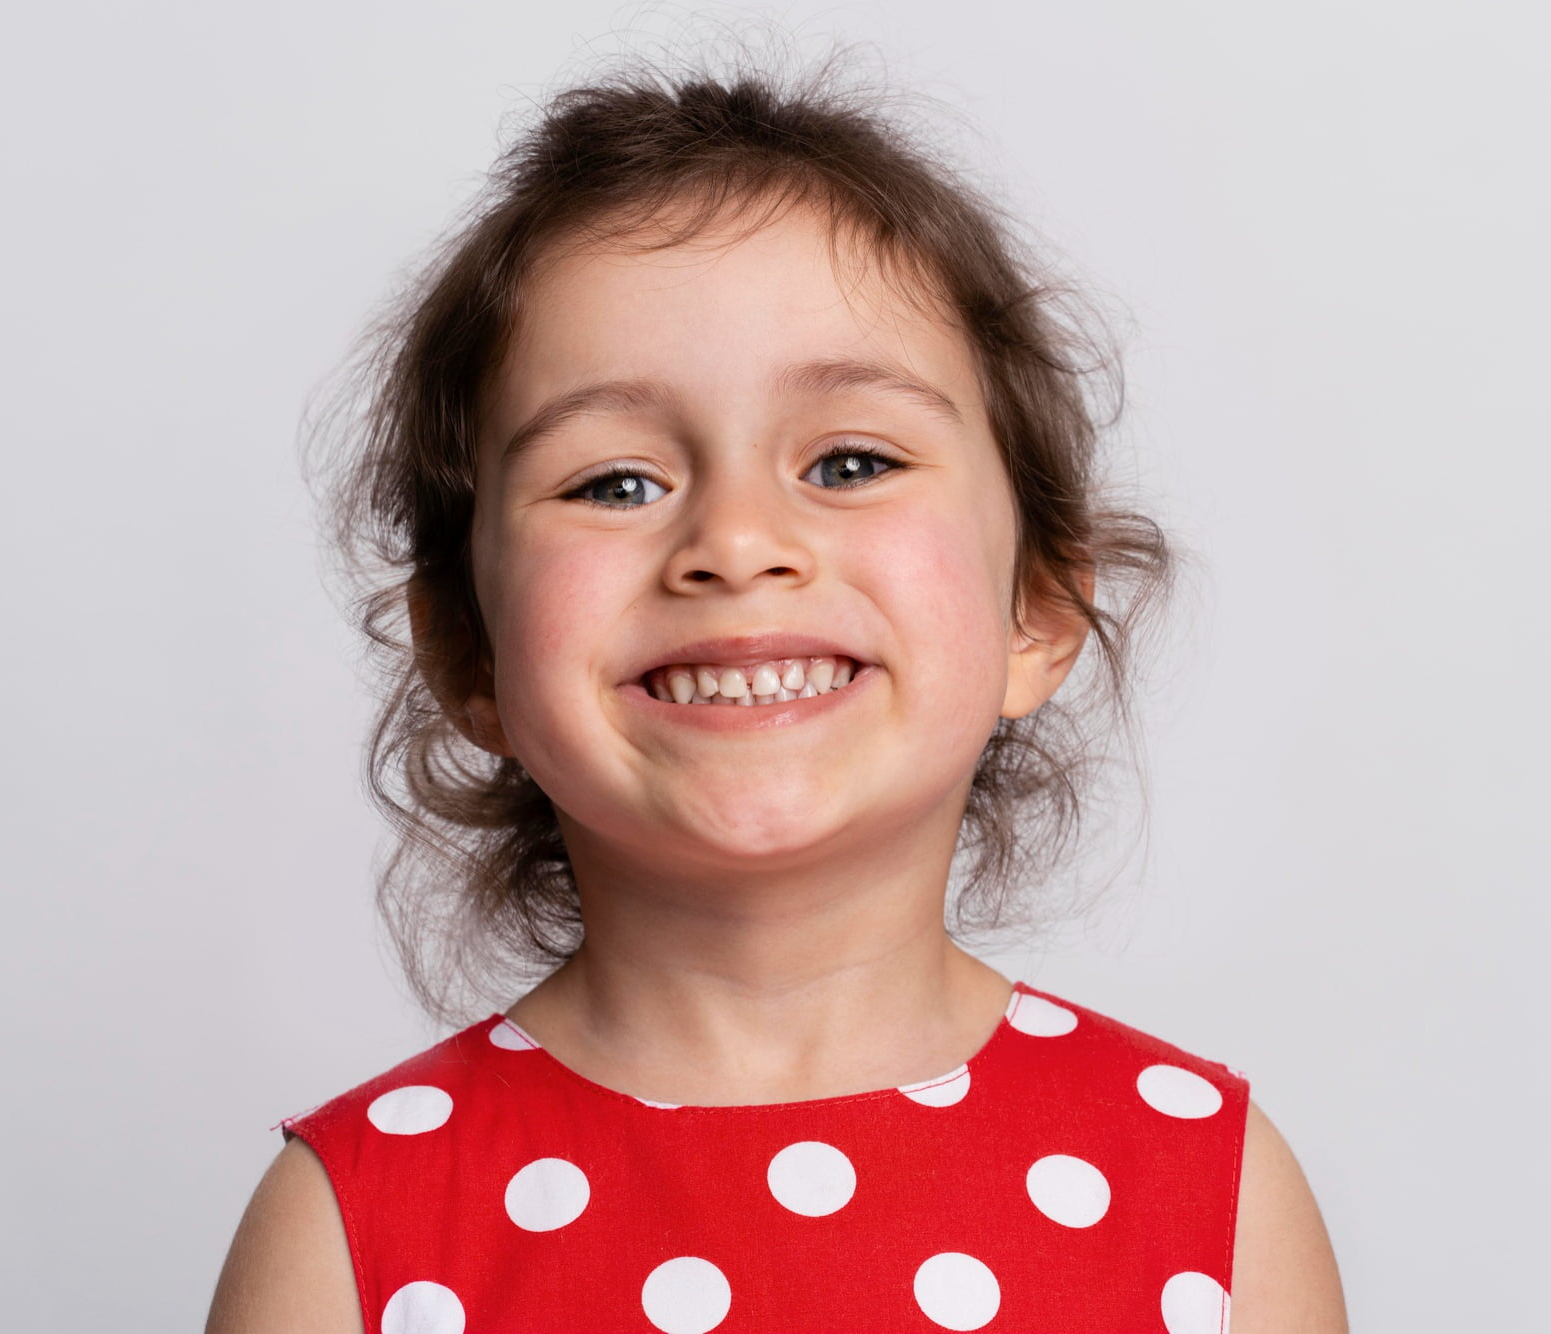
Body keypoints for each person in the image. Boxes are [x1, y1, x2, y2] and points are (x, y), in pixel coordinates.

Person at [207, 54, 1347, 1334]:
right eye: (614, 483)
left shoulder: (1203, 1185)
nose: (738, 541)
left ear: (1034, 609)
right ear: (472, 656)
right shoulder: (353, 1226)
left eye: (850, 460)